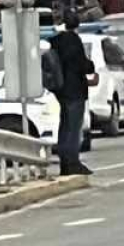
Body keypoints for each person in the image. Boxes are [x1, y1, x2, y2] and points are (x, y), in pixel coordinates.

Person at [46, 14, 96, 177]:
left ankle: (64, 162)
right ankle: (73, 162)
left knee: (65, 125)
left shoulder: (55, 41)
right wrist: (91, 65)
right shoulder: (73, 41)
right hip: (75, 89)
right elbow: (81, 65)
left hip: (61, 90)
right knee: (74, 127)